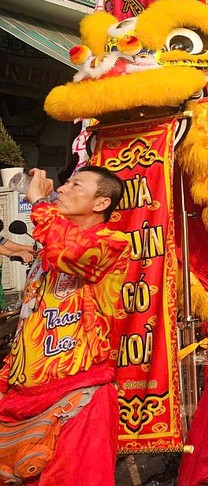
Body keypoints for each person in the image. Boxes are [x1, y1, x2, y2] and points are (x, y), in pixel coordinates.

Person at [0, 166, 129, 485]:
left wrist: (40, 203)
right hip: (26, 394)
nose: (64, 188)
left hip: (78, 395)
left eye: (76, 185)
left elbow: (69, 249)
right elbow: (31, 321)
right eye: (66, 182)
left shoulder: (112, 242)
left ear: (100, 203)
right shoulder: (47, 248)